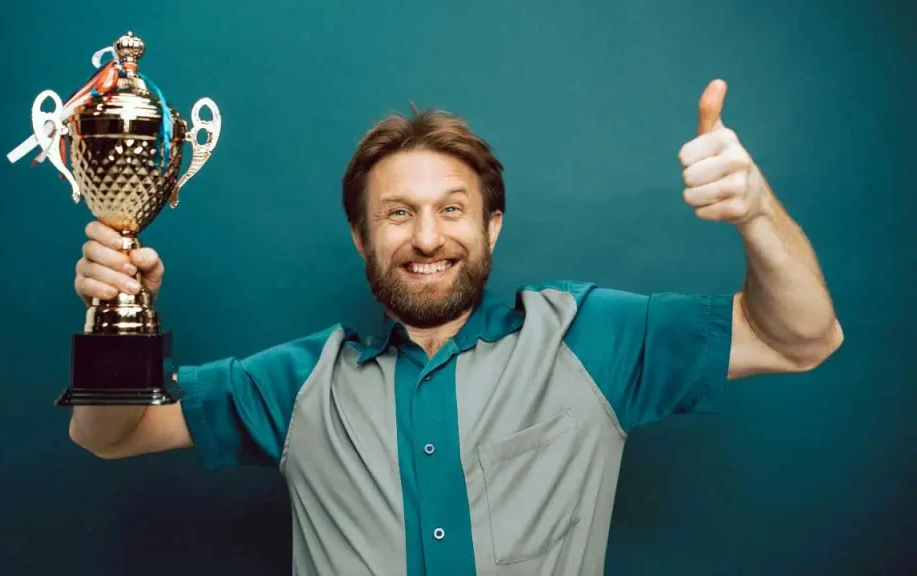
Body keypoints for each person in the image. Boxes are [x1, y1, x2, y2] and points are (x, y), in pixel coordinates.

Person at [68, 79, 843, 575]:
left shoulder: (590, 338)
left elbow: (801, 340)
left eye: (452, 210)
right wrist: (115, 317)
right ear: (361, 238)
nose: (429, 237)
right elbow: (111, 435)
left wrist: (755, 213)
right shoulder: (298, 383)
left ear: (492, 227)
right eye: (398, 214)